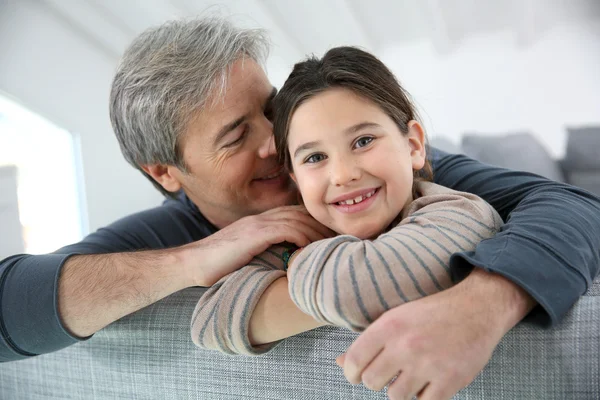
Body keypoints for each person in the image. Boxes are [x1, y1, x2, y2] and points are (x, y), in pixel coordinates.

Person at [0, 16, 598, 400]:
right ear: (165, 173)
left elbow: (570, 205)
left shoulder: (385, 171)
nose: (278, 143)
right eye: (236, 136)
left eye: (271, 108)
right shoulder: (170, 236)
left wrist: (482, 304)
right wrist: (190, 263)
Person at [190, 46, 504, 356]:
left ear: (413, 146)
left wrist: (297, 261)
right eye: (315, 157)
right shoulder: (303, 229)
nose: (342, 175)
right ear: (296, 178)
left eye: (363, 141)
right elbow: (207, 321)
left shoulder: (462, 215)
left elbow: (354, 291)